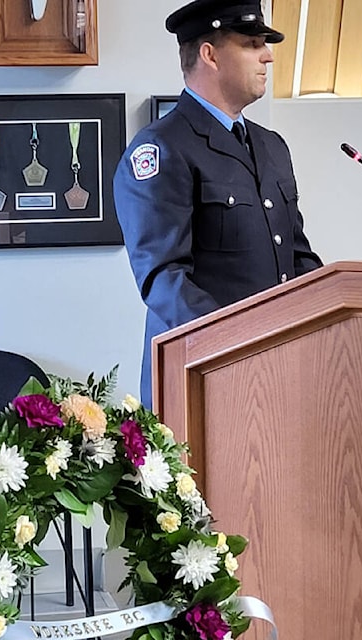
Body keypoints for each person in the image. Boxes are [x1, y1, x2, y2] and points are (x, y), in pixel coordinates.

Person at [113, 0, 323, 406]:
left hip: (279, 369)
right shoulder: (162, 148)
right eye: (251, 43)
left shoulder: (271, 146)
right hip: (204, 376)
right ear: (209, 54)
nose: (268, 55)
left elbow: (297, 258)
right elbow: (163, 278)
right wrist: (236, 344)